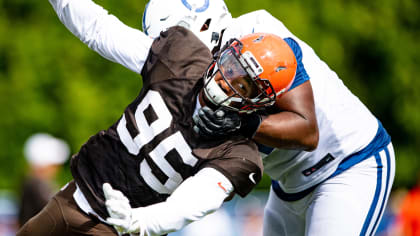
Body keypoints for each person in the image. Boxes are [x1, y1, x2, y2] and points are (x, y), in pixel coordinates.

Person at [17, 0, 298, 235]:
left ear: (258, 100)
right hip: (72, 197)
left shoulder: (240, 154)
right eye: (232, 65)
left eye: (244, 83)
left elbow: (191, 204)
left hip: (120, 230)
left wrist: (139, 223)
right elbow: (99, 30)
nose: (228, 79)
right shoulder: (182, 56)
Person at [142, 0, 396, 235]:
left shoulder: (259, 35)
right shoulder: (202, 75)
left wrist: (242, 124)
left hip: (350, 165)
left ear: (205, 25)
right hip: (288, 186)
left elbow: (307, 132)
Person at [18, 133, 70, 227]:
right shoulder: (37, 184)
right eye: (54, 165)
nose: (57, 169)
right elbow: (58, 209)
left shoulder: (31, 182)